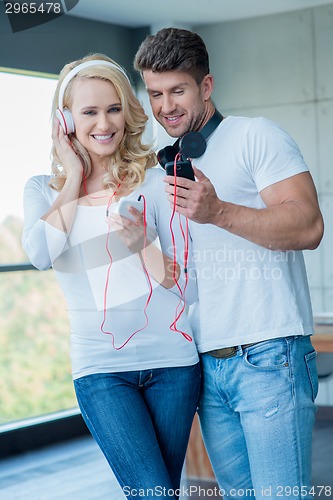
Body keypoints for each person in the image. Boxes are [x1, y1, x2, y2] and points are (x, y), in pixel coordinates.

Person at [134, 28, 324, 499]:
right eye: (155, 94)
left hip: (268, 355)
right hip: (206, 364)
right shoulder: (165, 167)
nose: (166, 106)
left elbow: (308, 227)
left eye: (178, 90)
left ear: (207, 86)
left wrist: (217, 211)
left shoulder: (255, 136)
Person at [22, 53, 201, 499]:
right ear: (66, 121)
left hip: (173, 364)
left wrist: (143, 244)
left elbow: (187, 286)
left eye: (114, 108)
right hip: (102, 369)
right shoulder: (42, 190)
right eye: (89, 111)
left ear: (128, 112)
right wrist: (75, 176)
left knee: (164, 492)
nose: (104, 122)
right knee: (152, 492)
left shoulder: (157, 183)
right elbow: (41, 255)